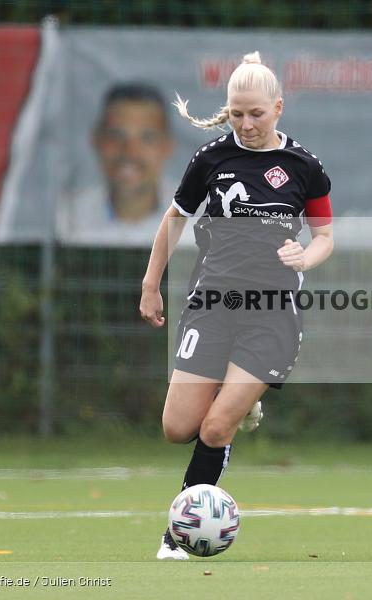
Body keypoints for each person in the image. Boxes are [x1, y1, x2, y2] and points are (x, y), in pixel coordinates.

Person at [139, 52, 334, 560]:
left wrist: (305, 256)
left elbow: (326, 236)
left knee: (213, 427)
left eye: (256, 114)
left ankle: (178, 536)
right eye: (236, 114)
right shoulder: (210, 158)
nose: (246, 125)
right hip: (211, 304)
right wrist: (150, 281)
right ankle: (245, 402)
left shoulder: (304, 167)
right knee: (177, 428)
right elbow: (174, 220)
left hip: (271, 314)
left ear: (278, 108)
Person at [57, 82, 176, 245]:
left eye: (147, 138)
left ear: (167, 146)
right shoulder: (68, 218)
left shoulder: (196, 219)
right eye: (116, 135)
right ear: (96, 140)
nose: (130, 152)